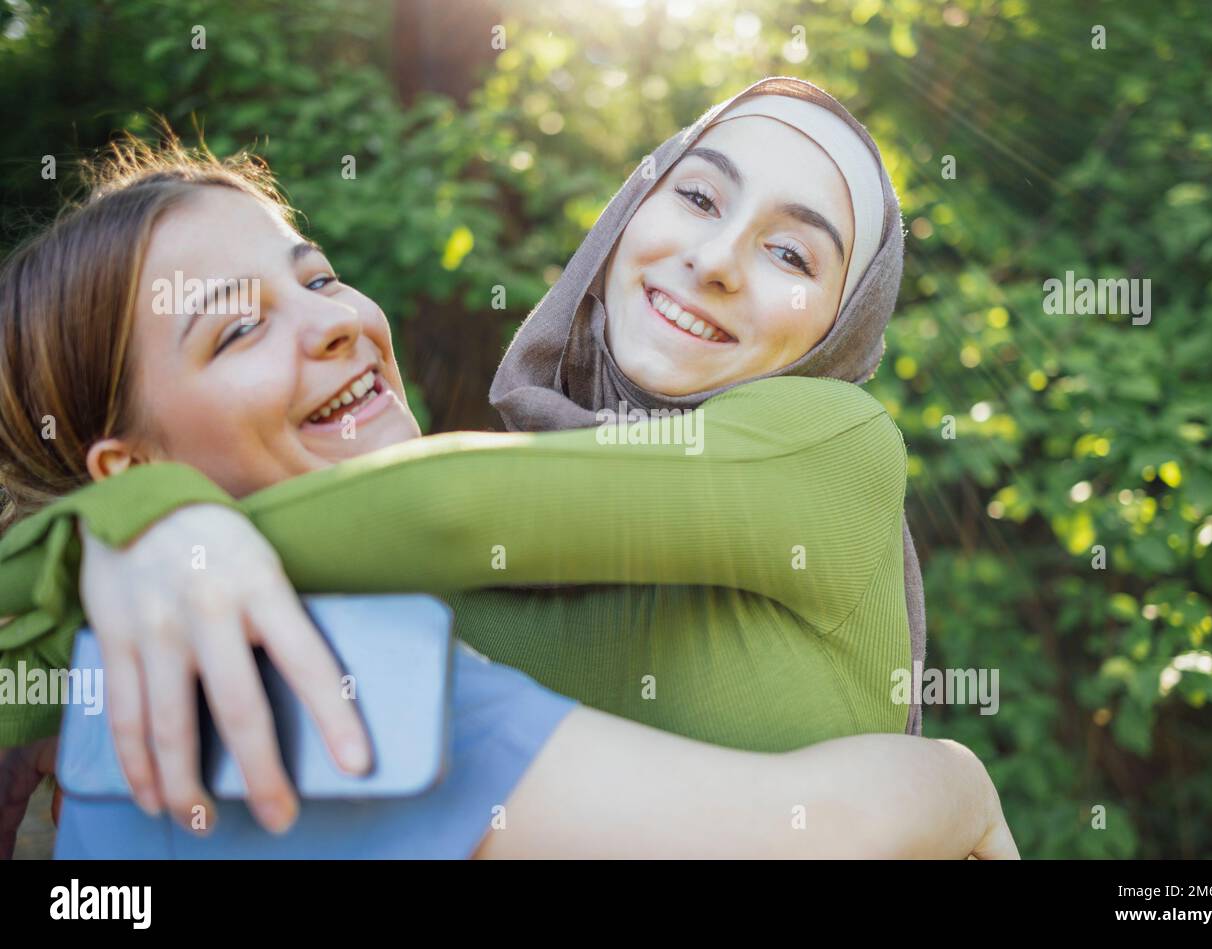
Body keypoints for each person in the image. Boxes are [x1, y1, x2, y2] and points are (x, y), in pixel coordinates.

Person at [0, 81, 1010, 857]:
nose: (339, 321)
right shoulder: (334, 677)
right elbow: (816, 831)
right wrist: (953, 781)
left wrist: (116, 535)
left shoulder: (828, 442)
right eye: (237, 329)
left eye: (318, 277)